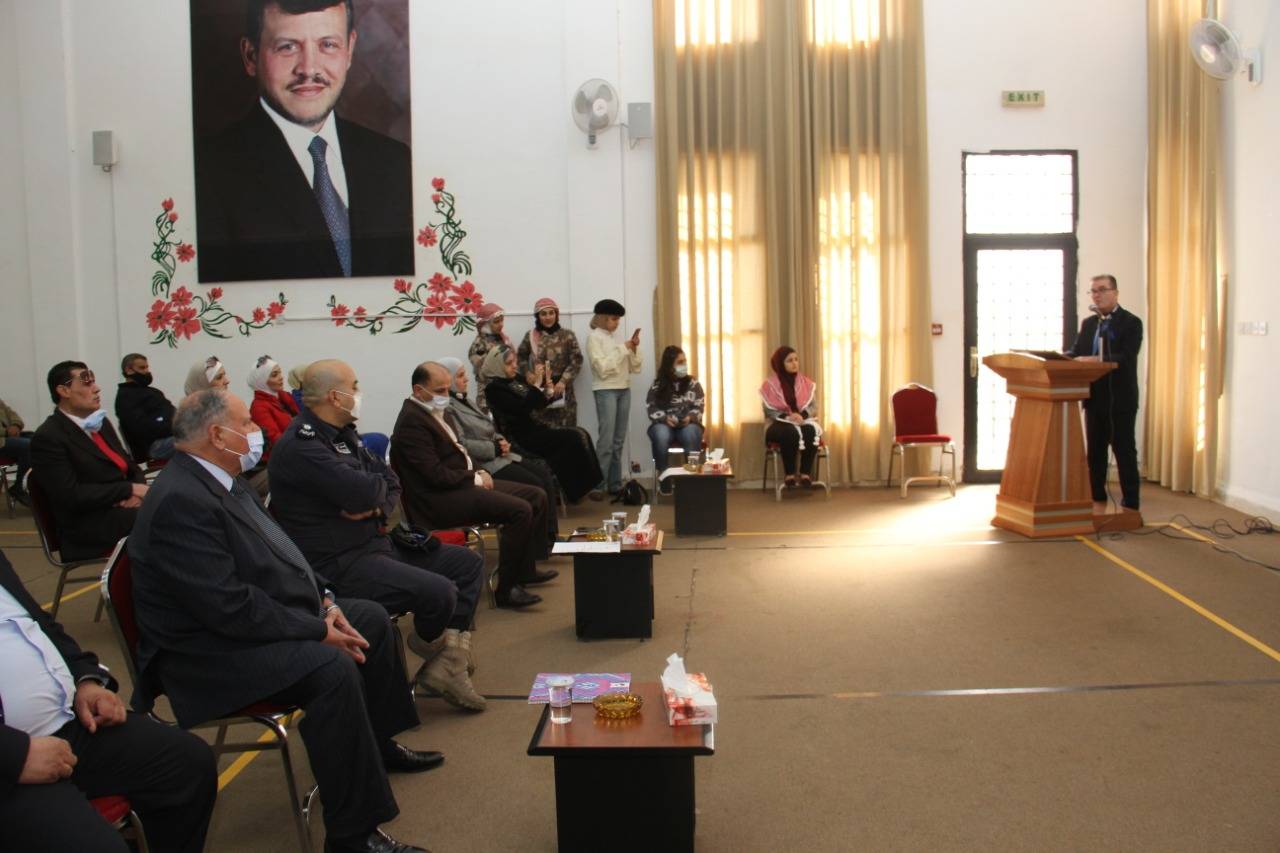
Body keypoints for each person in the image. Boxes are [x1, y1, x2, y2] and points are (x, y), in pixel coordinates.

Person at [128, 390, 433, 853]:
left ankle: (377, 744)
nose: (257, 432)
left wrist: (326, 601)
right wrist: (316, 629)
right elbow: (227, 606)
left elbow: (286, 555)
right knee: (331, 668)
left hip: (249, 622)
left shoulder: (223, 480)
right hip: (207, 653)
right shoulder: (181, 500)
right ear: (217, 435)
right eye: (247, 423)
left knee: (369, 619)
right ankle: (353, 836)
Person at [269, 360, 487, 712]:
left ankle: (447, 661)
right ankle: (444, 654)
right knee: (439, 591)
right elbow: (364, 491)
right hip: (340, 562)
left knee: (467, 565)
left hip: (376, 544)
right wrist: (374, 498)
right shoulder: (302, 445)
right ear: (334, 396)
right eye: (353, 386)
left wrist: (375, 506)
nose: (358, 393)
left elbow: (390, 482)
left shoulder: (343, 433)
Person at [0, 549, 217, 853]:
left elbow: (39, 624)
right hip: (12, 762)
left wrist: (85, 680)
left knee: (188, 765)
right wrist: (16, 755)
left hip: (66, 727)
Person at [194, 0, 413, 283]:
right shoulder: (206, 172)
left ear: (349, 49)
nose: (309, 69)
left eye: (328, 45)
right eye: (287, 47)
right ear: (250, 56)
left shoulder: (394, 162)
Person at [392, 362, 556, 611]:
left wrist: (480, 470)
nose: (446, 395)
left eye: (447, 389)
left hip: (460, 485)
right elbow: (434, 475)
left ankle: (525, 570)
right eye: (440, 390)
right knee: (520, 510)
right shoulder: (411, 422)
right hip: (438, 500)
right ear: (418, 390)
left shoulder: (435, 410)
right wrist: (475, 479)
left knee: (536, 495)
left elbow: (461, 451)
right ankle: (506, 590)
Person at [437, 356, 560, 546]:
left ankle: (549, 536)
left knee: (543, 475)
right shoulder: (448, 408)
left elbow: (488, 426)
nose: (466, 379)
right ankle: (539, 543)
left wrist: (500, 439)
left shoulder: (465, 399)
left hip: (500, 455)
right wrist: (494, 448)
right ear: (448, 380)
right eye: (460, 376)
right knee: (535, 485)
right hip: (484, 464)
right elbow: (461, 443)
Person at [30, 362, 147, 560]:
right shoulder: (49, 437)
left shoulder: (100, 423)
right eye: (87, 383)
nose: (96, 388)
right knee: (166, 515)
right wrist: (128, 489)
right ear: (64, 391)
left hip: (122, 512)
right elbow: (70, 495)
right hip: (88, 525)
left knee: (178, 506)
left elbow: (131, 466)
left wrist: (138, 494)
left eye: (94, 382)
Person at [483, 346, 604, 503]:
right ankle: (575, 490)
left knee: (581, 433)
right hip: (522, 438)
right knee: (574, 437)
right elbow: (521, 409)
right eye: (509, 363)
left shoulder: (515, 379)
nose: (514, 366)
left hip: (535, 430)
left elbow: (537, 403)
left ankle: (585, 486)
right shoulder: (494, 389)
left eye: (514, 361)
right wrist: (536, 385)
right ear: (497, 365)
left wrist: (547, 391)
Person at [1069, 274, 1143, 514]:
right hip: (1094, 397)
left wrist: (1094, 360)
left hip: (1120, 400)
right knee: (1095, 452)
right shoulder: (1089, 323)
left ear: (1115, 293)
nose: (1096, 295)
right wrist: (1058, 358)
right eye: (1093, 291)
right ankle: (1097, 496)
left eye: (1102, 290)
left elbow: (1126, 356)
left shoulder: (1131, 322)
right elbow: (1076, 351)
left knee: (1124, 451)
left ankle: (1130, 502)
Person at [587, 298, 642, 496]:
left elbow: (635, 367)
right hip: (605, 391)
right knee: (606, 441)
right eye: (613, 319)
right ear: (602, 318)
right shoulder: (594, 338)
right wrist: (623, 348)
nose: (617, 323)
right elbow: (602, 369)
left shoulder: (616, 337)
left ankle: (615, 484)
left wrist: (633, 348)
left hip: (624, 389)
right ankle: (598, 485)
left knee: (618, 441)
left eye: (618, 319)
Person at [760, 346, 823, 489]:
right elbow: (768, 410)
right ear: (780, 364)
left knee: (811, 431)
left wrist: (802, 415)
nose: (794, 363)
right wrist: (788, 417)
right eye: (789, 361)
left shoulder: (806, 383)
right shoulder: (769, 385)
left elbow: (814, 406)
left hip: (802, 420)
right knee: (790, 432)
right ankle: (789, 474)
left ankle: (805, 474)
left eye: (796, 359)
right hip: (778, 424)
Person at [516, 297, 584, 428]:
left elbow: (577, 360)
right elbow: (520, 356)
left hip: (562, 390)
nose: (548, 317)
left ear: (556, 314)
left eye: (551, 313)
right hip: (540, 391)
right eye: (543, 314)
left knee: (567, 431)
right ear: (538, 316)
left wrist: (563, 381)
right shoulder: (531, 336)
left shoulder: (567, 335)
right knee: (542, 430)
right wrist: (528, 373)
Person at [646, 345, 705, 475]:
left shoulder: (694, 384)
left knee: (691, 433)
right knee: (661, 434)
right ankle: (663, 475)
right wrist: (664, 418)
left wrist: (689, 418)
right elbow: (651, 408)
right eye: (680, 362)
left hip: (688, 424)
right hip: (664, 424)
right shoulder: (657, 385)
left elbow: (699, 406)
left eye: (685, 361)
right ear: (669, 366)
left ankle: (693, 474)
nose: (684, 365)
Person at [114, 353, 176, 462]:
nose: (147, 371)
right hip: (153, 447)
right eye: (142, 368)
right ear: (129, 370)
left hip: (171, 437)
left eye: (147, 367)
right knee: (199, 441)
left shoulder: (153, 391)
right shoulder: (125, 397)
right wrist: (171, 424)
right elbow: (142, 429)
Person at [247, 354, 300, 460]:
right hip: (281, 458)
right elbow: (275, 440)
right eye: (274, 375)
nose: (281, 377)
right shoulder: (259, 408)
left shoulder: (284, 397)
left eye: (280, 372)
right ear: (262, 380)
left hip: (296, 450)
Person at [466, 303, 511, 413]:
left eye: (502, 320)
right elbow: (484, 371)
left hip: (503, 390)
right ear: (485, 324)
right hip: (488, 395)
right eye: (496, 322)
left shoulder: (501, 339)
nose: (501, 324)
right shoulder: (479, 344)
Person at [0, 397, 32, 505]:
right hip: (2, 441)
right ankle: (19, 487)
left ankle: (37, 486)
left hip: (9, 438)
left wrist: (16, 425)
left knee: (41, 440)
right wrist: (6, 431)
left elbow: (11, 413)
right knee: (28, 446)